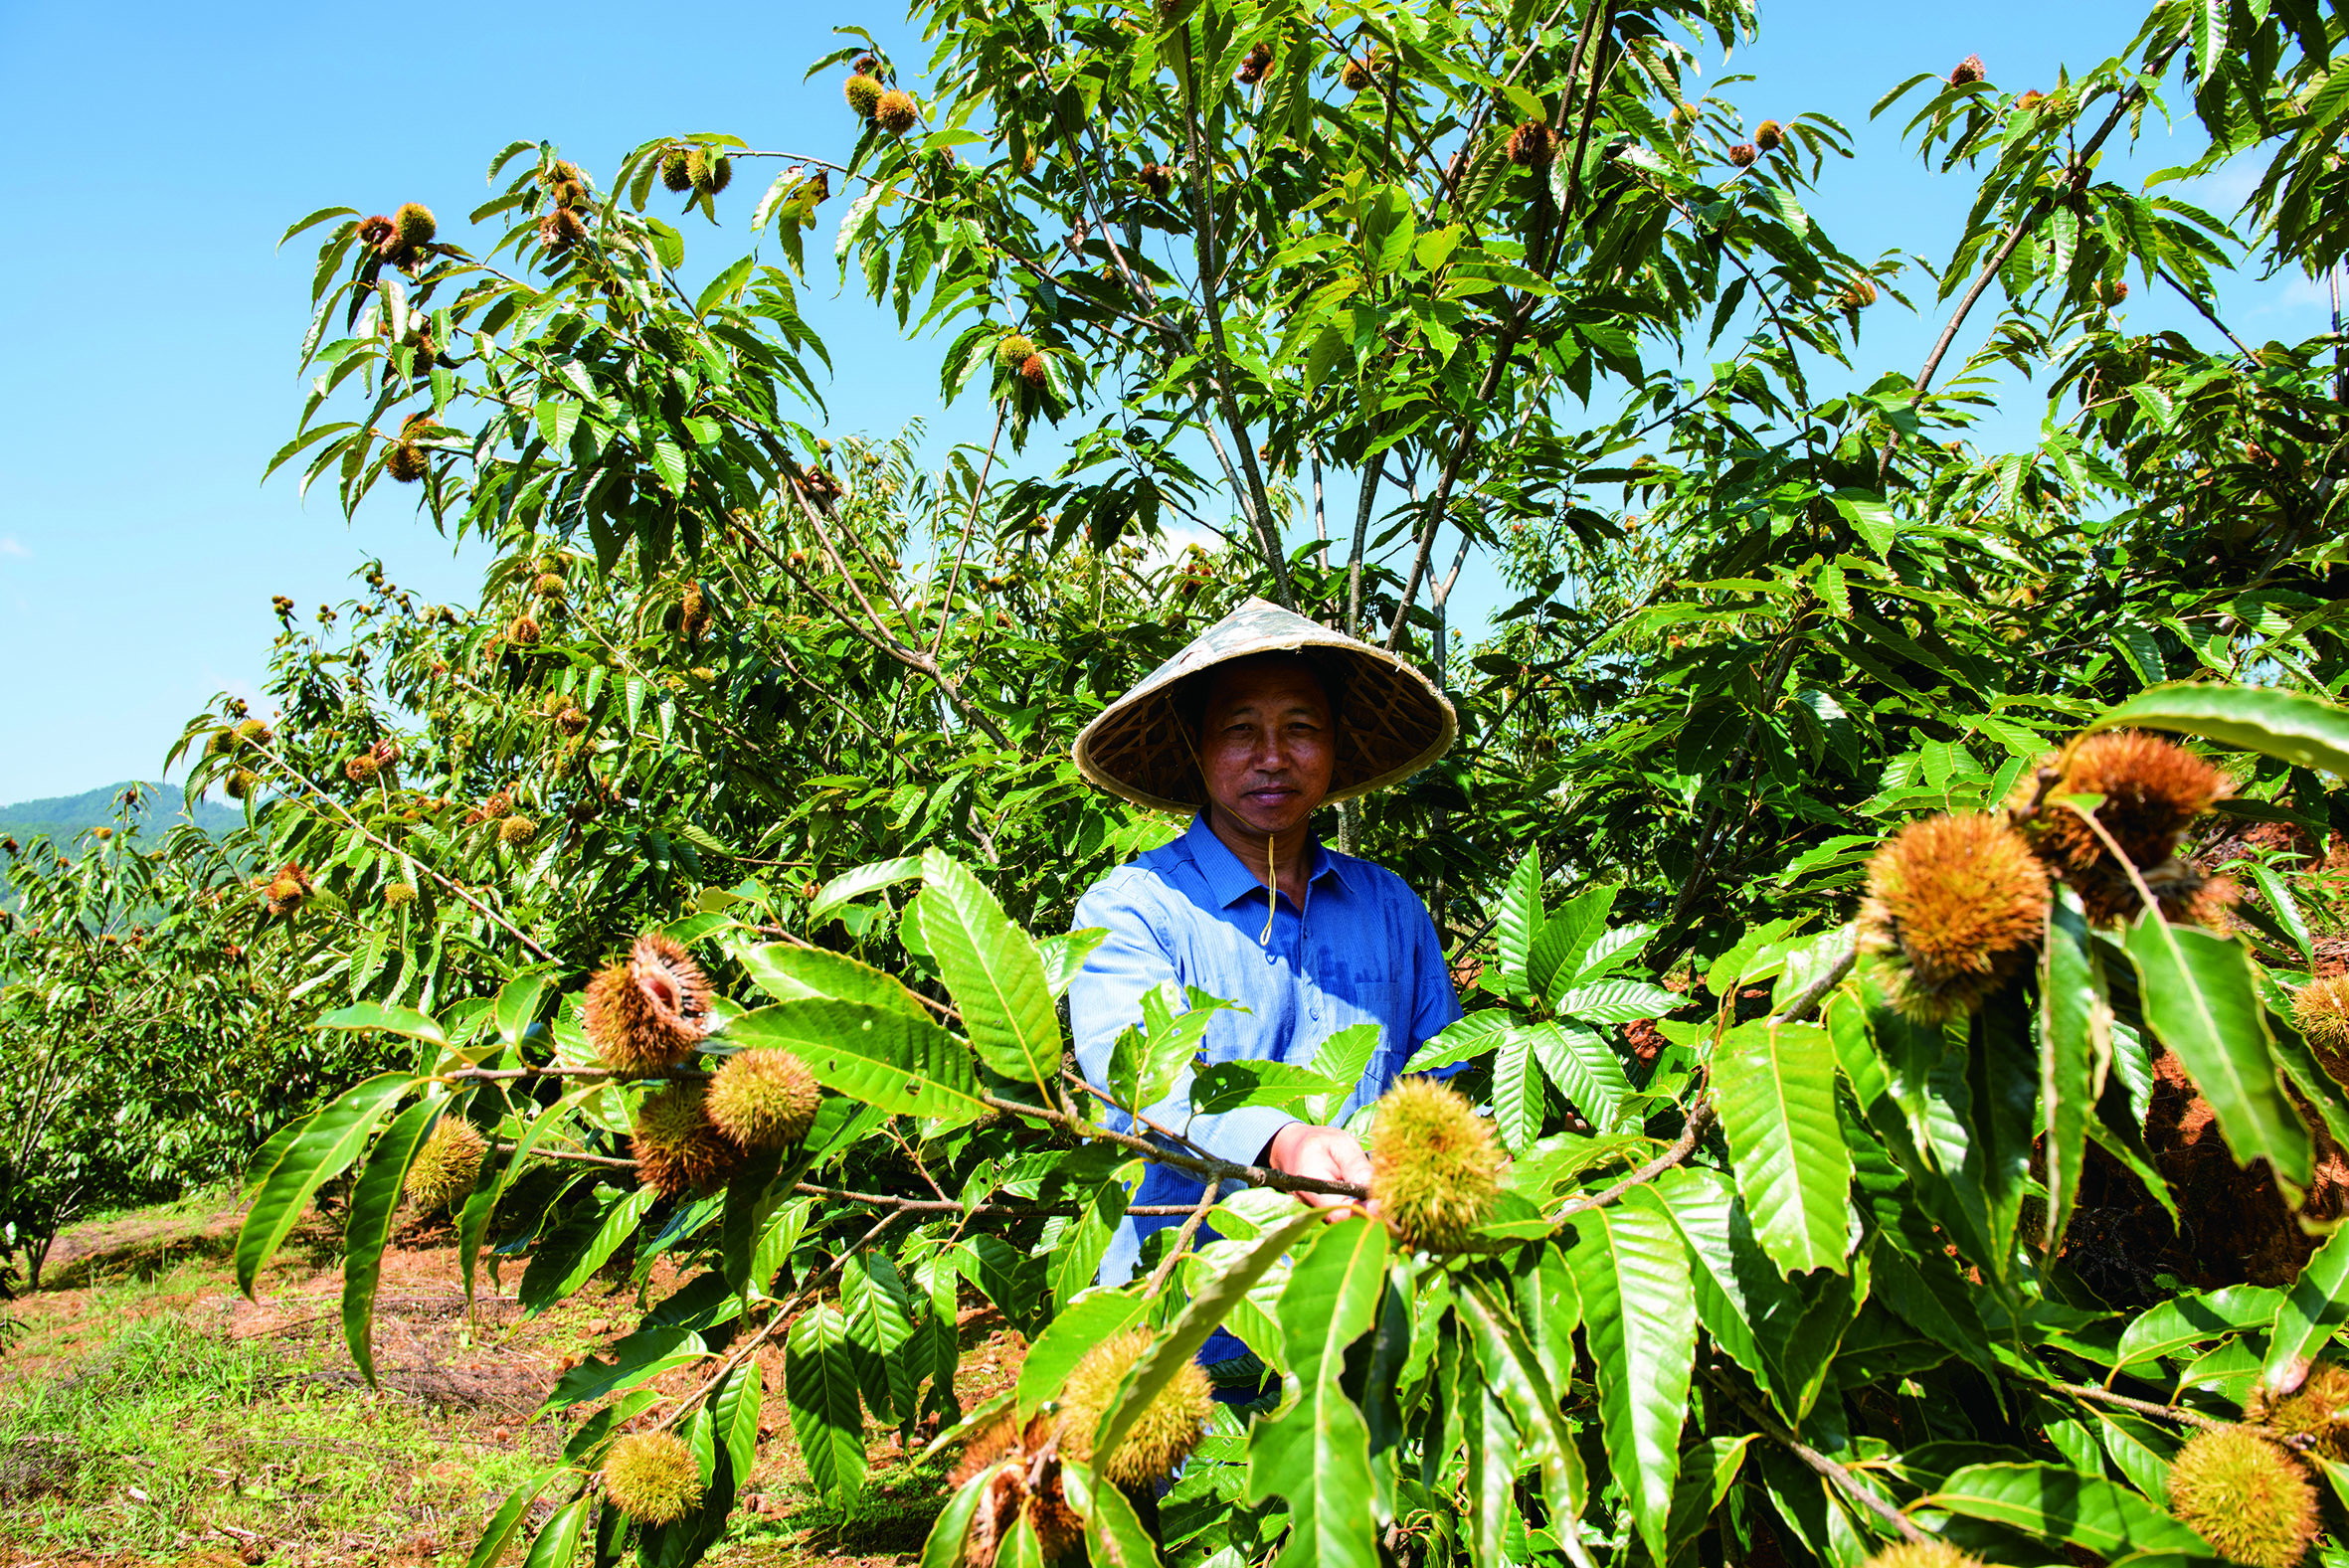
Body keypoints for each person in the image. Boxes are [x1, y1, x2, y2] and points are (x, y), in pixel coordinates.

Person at [1066, 597, 1462, 1381]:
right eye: (1240, 729)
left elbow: (1443, 1078)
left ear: (1336, 744)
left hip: (1368, 1313)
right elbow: (1140, 1087)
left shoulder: (1391, 907)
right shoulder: (1132, 910)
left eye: (1301, 728)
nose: (1273, 755)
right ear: (1197, 745)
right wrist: (1285, 1143)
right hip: (1191, 1331)